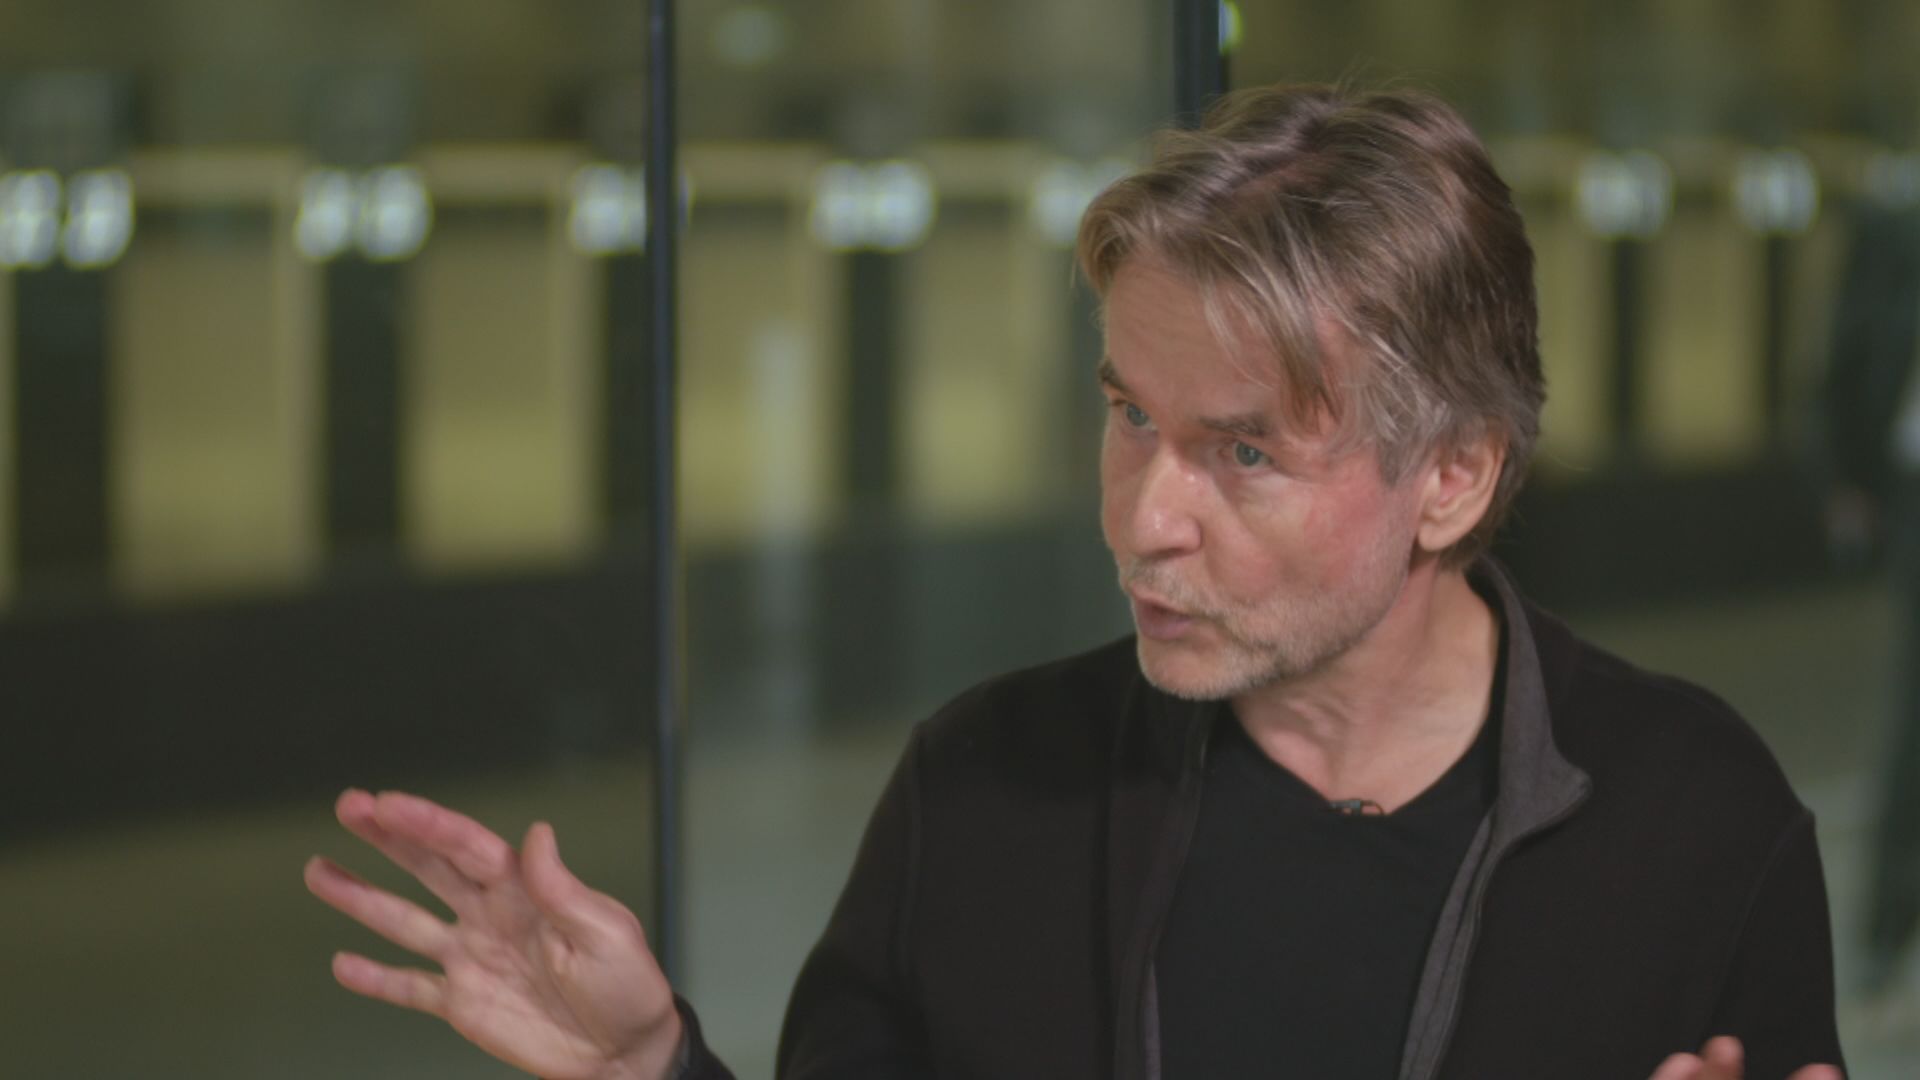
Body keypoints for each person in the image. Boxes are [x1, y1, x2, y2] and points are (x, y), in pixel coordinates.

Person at [306, 84, 1847, 1080]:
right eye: (1130, 419)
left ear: (1452, 476)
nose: (1145, 519)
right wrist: (654, 1069)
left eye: (1244, 453)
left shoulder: (1695, 821)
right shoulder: (985, 790)